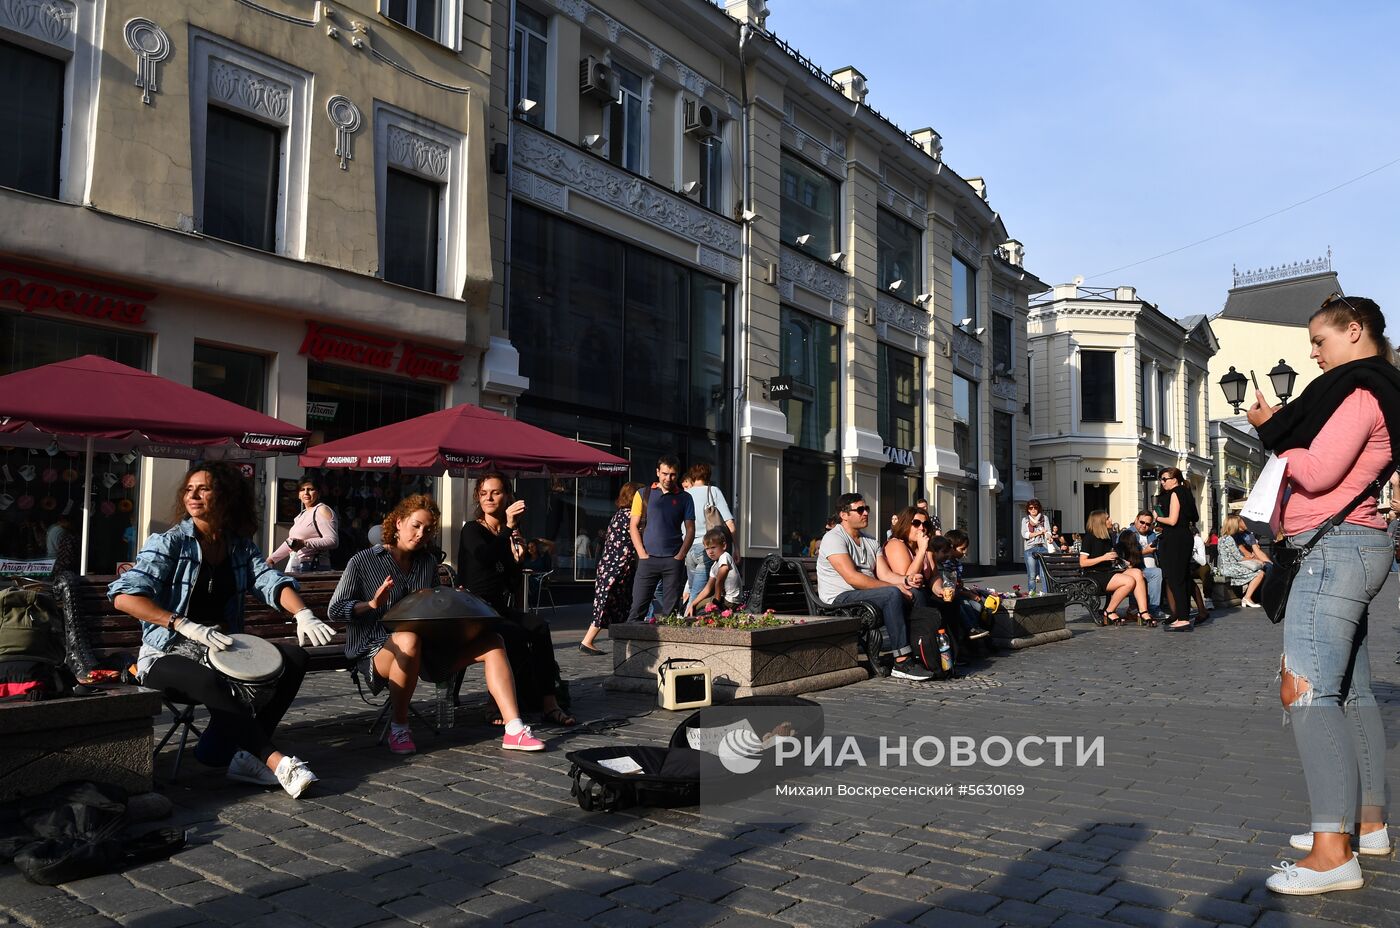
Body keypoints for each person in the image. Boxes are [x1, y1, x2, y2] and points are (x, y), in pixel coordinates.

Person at [1248, 293, 1399, 895]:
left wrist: (1269, 431)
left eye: (1320, 340)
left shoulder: (1363, 392)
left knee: (1306, 688)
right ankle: (1367, 824)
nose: (1313, 354)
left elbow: (1316, 473)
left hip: (1333, 552)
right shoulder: (1378, 388)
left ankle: (1331, 852)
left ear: (1355, 330)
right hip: (1351, 547)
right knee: (1352, 690)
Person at [109, 462, 332, 798]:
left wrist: (303, 613)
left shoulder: (239, 546)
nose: (193, 495)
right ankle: (274, 760)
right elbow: (124, 597)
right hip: (166, 654)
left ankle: (240, 755)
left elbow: (268, 580)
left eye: (204, 488)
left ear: (226, 497)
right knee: (210, 679)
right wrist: (182, 623)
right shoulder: (170, 543)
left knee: (295, 658)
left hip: (221, 648)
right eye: (189, 489)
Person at [331, 494, 544, 755]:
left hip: (427, 648)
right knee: (408, 638)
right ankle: (399, 728)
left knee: (493, 642)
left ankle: (514, 729)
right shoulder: (363, 561)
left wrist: (455, 599)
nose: (421, 534)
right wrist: (371, 604)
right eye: (416, 525)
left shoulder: (427, 562)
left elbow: (431, 607)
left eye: (428, 529)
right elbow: (336, 609)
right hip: (375, 651)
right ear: (398, 523)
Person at [457, 474, 574, 727]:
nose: (489, 497)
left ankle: (549, 704)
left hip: (496, 609)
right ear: (478, 495)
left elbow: (507, 583)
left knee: (539, 626)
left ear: (507, 497)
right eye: (484, 492)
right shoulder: (472, 529)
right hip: (473, 610)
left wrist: (517, 561)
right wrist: (508, 529)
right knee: (515, 635)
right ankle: (497, 702)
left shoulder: (506, 534)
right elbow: (485, 557)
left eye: (496, 492)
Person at [816, 493, 933, 681]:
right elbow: (853, 578)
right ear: (843, 514)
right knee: (891, 594)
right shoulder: (833, 538)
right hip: (840, 598)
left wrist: (905, 581)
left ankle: (921, 650)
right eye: (860, 510)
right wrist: (894, 588)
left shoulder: (870, 541)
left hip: (867, 595)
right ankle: (902, 661)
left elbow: (885, 574)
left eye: (866, 509)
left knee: (915, 592)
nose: (865, 513)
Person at [625, 455, 694, 623]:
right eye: (664, 473)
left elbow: (690, 529)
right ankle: (632, 649)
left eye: (672, 474)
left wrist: (680, 555)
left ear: (677, 475)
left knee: (670, 614)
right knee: (637, 610)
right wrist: (641, 553)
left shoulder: (685, 498)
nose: (668, 478)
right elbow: (633, 526)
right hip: (648, 559)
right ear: (657, 472)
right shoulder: (643, 494)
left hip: (673, 560)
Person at [581, 483, 644, 656]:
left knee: (617, 602)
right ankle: (588, 640)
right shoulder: (631, 515)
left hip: (609, 566)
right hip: (618, 567)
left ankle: (623, 639)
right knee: (609, 602)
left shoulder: (618, 514)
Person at [1078, 509, 1151, 626]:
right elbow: (1082, 563)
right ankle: (1109, 611)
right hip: (1093, 575)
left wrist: (1121, 561)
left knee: (1137, 572)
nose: (1111, 520)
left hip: (1107, 572)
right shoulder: (1089, 538)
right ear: (1100, 521)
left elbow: (1111, 558)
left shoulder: (1107, 538)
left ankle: (1143, 612)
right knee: (1129, 581)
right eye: (1107, 518)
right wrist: (1103, 558)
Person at [683, 463, 736, 604]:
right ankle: (685, 623)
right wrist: (736, 549)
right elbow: (730, 523)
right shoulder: (713, 491)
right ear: (708, 476)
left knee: (693, 589)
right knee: (698, 594)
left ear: (692, 476)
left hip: (687, 549)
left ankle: (682, 619)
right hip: (706, 548)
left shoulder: (684, 495)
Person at [1154, 467, 1199, 632]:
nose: (1162, 482)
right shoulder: (1186, 492)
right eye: (1161, 479)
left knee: (1175, 579)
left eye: (1165, 479)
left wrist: (1157, 517)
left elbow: (1172, 520)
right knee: (1183, 577)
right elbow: (1194, 517)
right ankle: (1183, 615)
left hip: (1175, 539)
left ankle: (1183, 618)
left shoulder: (1175, 492)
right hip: (1184, 537)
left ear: (1175, 479)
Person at [268, 477, 339, 573]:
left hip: (314, 567)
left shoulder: (322, 510)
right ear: (298, 495)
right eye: (302, 490)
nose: (306, 493)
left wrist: (304, 543)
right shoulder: (301, 515)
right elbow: (291, 542)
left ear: (319, 493)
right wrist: (272, 559)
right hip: (297, 565)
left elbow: (332, 541)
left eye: (310, 489)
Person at [882, 507, 934, 605]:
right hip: (905, 595)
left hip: (925, 590)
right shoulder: (896, 544)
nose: (922, 528)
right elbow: (908, 579)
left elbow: (934, 575)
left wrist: (939, 589)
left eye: (925, 524)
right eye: (916, 523)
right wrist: (922, 551)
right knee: (918, 594)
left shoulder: (925, 546)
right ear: (905, 524)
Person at [684, 528, 743, 614]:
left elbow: (719, 581)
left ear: (724, 546)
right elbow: (707, 589)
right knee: (696, 606)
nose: (710, 552)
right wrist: (692, 604)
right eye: (707, 549)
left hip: (730, 602)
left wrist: (715, 604)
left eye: (713, 547)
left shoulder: (725, 557)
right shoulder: (715, 566)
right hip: (723, 599)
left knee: (702, 611)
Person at [1216, 513, 1268, 607]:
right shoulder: (1229, 539)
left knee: (1257, 573)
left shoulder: (1221, 539)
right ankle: (1247, 598)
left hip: (1226, 567)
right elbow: (1239, 557)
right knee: (1260, 574)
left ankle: (1247, 597)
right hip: (1230, 568)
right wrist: (1256, 560)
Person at [1129, 511, 1164, 618]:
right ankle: (1153, 609)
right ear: (1136, 519)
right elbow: (1125, 554)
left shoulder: (1152, 534)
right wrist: (1145, 551)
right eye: (1142, 522)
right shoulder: (1128, 534)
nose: (1144, 525)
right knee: (1156, 573)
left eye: (1148, 524)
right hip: (1136, 568)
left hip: (1152, 567)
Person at [1020, 499, 1054, 594]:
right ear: (1028, 509)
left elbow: (1048, 531)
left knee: (1044, 574)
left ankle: (1046, 595)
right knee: (1032, 575)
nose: (1033, 509)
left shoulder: (1044, 518)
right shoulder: (1025, 520)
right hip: (1030, 548)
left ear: (1039, 508)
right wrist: (1039, 532)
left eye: (1035, 507)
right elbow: (1025, 534)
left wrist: (1049, 537)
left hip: (1043, 547)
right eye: (1031, 508)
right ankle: (1032, 595)